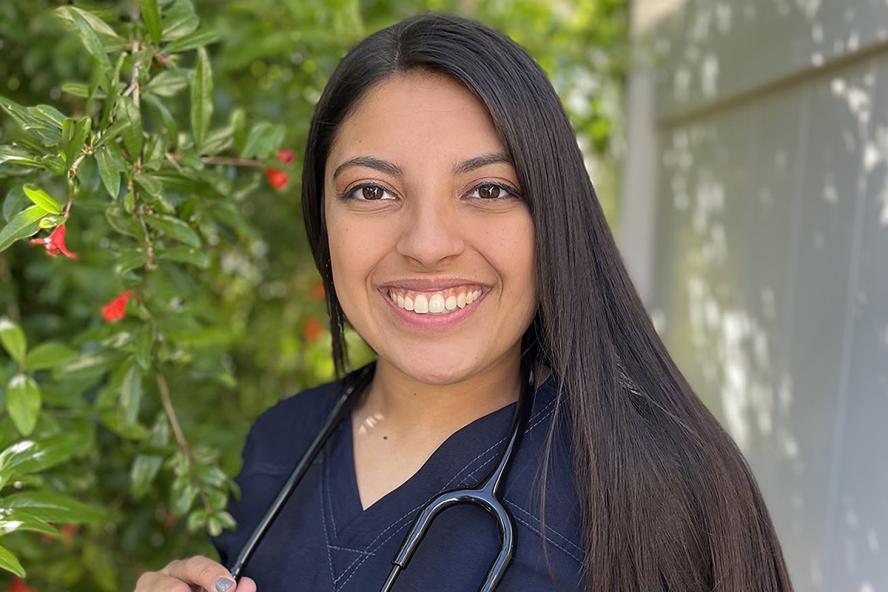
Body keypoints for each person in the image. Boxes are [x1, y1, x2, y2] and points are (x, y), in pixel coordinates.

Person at [135, 11, 796, 592]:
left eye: (488, 190)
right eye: (371, 191)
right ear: (322, 219)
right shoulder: (279, 446)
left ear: (554, 217)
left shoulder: (657, 490)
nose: (426, 244)